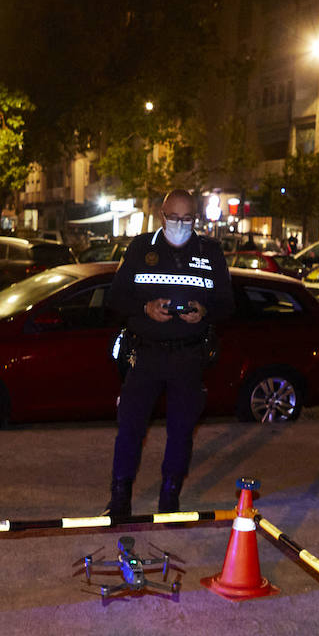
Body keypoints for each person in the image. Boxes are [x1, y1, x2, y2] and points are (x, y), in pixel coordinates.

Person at [104, 189, 235, 516]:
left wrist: (203, 312)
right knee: (130, 428)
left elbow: (228, 307)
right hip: (144, 355)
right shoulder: (139, 248)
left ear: (196, 219)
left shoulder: (210, 251)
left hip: (188, 357)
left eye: (187, 219)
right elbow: (114, 302)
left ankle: (170, 496)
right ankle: (120, 498)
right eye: (174, 218)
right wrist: (144, 308)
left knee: (181, 431)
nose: (180, 224)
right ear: (162, 216)